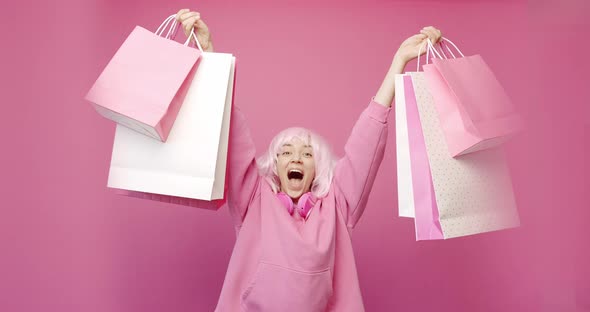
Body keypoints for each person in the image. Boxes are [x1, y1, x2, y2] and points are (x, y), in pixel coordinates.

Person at [176, 8, 441, 312]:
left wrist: (398, 63)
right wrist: (210, 57)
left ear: (318, 168)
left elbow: (364, 147)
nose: (296, 158)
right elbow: (232, 133)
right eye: (286, 152)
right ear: (274, 166)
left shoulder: (337, 204)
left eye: (306, 153)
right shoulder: (253, 198)